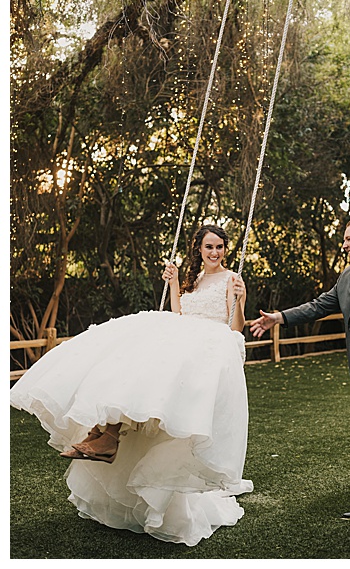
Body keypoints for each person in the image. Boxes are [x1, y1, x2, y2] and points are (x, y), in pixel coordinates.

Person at [10, 224, 253, 546]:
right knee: (131, 355)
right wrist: (177, 283)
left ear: (225, 249)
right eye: (209, 247)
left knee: (150, 371)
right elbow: (178, 314)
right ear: (199, 249)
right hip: (184, 336)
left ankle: (109, 435)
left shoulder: (230, 280)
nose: (214, 253)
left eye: (220, 247)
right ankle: (104, 431)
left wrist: (241, 297)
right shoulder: (193, 280)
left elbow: (237, 326)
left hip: (206, 344)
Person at [247, 217, 350, 518]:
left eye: (348, 239)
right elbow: (318, 306)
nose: (343, 245)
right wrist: (279, 318)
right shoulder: (348, 276)